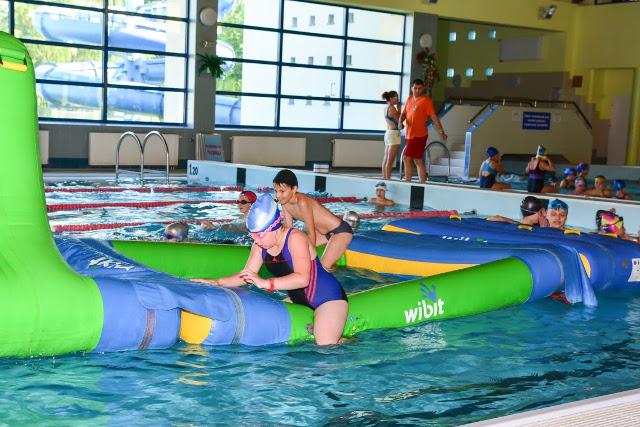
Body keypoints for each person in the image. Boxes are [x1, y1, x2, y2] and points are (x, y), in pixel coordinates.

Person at [192, 194, 349, 345]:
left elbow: (302, 279)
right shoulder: (260, 245)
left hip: (328, 299)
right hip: (297, 300)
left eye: (260, 235)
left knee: (324, 345)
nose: (256, 240)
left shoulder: (295, 238)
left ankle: (345, 341)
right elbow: (246, 275)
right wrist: (216, 283)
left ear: (275, 227)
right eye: (253, 235)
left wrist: (266, 283)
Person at [273, 169, 353, 271]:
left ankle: (334, 274)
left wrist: (310, 260)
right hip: (323, 235)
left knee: (322, 268)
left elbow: (311, 233)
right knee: (298, 249)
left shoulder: (302, 202)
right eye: (276, 191)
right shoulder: (284, 202)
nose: (278, 195)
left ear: (294, 189)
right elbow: (288, 228)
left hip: (340, 232)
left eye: (282, 191)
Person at [399, 78, 448, 183]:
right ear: (412, 88)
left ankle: (408, 181)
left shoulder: (426, 101)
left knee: (407, 158)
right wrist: (400, 121)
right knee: (417, 159)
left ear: (423, 89)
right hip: (410, 134)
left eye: (419, 88)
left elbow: (434, 117)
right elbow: (404, 114)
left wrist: (441, 131)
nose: (417, 90)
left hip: (419, 135)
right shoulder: (409, 99)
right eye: (415, 88)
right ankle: (422, 183)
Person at [381, 90, 402, 180]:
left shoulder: (386, 108)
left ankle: (385, 178)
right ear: (391, 98)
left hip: (388, 133)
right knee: (390, 160)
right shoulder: (392, 109)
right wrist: (399, 110)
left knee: (386, 158)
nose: (398, 99)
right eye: (396, 97)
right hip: (394, 134)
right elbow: (400, 122)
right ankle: (388, 180)